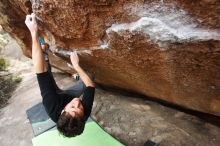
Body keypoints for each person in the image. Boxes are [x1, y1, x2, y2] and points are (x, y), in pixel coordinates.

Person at [25, 13, 95, 137]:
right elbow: (90, 86)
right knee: (89, 76)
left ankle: (44, 52)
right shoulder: (82, 116)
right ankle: (77, 77)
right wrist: (76, 66)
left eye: (73, 107)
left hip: (57, 97)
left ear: (63, 111)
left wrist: (33, 32)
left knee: (46, 71)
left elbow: (39, 71)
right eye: (80, 109)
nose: (78, 103)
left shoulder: (51, 104)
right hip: (68, 96)